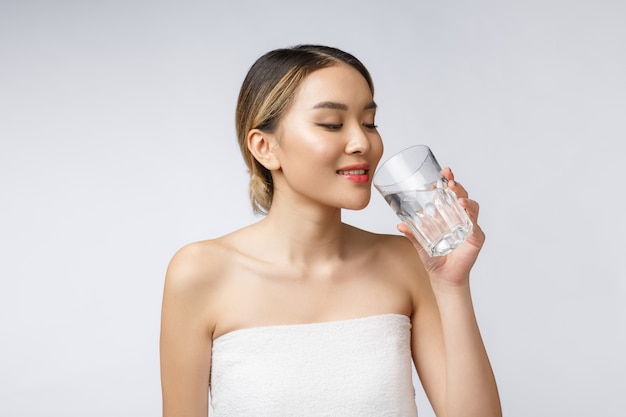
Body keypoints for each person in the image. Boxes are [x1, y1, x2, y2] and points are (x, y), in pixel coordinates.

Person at [160, 44, 502, 417]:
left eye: (369, 123)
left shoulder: (407, 262)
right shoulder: (200, 273)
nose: (362, 143)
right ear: (265, 147)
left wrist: (452, 285)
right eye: (332, 124)